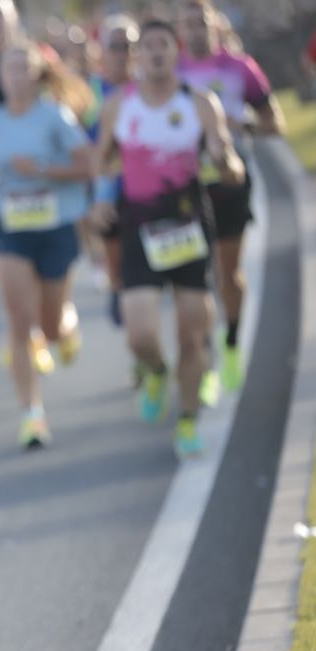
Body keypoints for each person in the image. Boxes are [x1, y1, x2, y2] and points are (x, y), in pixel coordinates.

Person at [91, 19, 245, 458]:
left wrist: (226, 162)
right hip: (139, 225)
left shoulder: (199, 103)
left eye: (163, 44)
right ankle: (156, 371)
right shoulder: (119, 106)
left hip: (188, 222)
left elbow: (225, 154)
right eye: (147, 46)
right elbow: (103, 161)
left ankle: (189, 420)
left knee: (193, 333)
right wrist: (101, 200)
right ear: (137, 56)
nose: (156, 52)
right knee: (139, 332)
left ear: (175, 52)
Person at [0, 42, 93, 449]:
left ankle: (66, 327)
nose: (18, 75)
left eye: (25, 68)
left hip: (56, 227)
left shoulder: (54, 116)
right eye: (11, 68)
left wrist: (41, 169)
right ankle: (32, 415)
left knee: (51, 325)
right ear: (1, 76)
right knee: (18, 321)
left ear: (38, 74)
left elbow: (87, 165)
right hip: (13, 229)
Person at [177, 0, 284, 394]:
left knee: (227, 274)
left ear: (214, 25)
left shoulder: (240, 68)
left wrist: (240, 124)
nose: (194, 31)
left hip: (229, 182)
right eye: (186, 25)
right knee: (193, 280)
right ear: (180, 32)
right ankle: (203, 362)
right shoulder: (172, 74)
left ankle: (233, 342)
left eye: (200, 22)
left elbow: (276, 123)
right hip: (184, 189)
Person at [87, 14, 141, 329]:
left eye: (129, 46)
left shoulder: (153, 87)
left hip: (150, 193)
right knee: (122, 277)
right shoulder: (90, 91)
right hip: (108, 192)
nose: (122, 53)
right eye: (115, 46)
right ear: (102, 51)